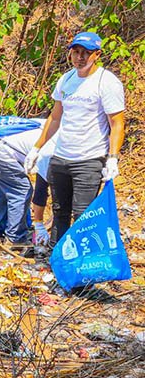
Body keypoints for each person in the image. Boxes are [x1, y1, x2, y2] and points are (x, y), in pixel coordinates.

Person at [25, 31, 126, 243]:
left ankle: (82, 263)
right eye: (76, 52)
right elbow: (55, 117)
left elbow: (117, 122)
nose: (80, 58)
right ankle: (58, 260)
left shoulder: (106, 82)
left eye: (86, 53)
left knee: (82, 215)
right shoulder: (66, 79)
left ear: (96, 55)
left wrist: (113, 157)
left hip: (89, 159)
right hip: (61, 157)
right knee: (60, 211)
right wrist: (37, 148)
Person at [0, 121, 42, 251]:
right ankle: (15, 238)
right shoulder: (55, 145)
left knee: (0, 192)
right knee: (21, 191)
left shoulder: (51, 126)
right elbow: (42, 185)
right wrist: (39, 224)